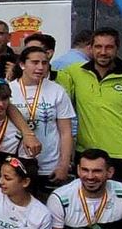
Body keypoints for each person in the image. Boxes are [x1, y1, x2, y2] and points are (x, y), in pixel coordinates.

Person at [57, 27, 122, 185]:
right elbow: (46, 79)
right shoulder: (74, 72)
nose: (103, 52)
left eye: (109, 47)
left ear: (117, 48)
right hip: (87, 154)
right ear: (90, 48)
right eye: (98, 47)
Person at [10, 46, 76, 192]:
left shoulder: (57, 90)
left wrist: (64, 165)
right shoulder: (9, 90)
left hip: (50, 165)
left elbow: (66, 132)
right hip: (19, 162)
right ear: (22, 64)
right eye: (35, 62)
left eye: (44, 63)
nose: (40, 67)